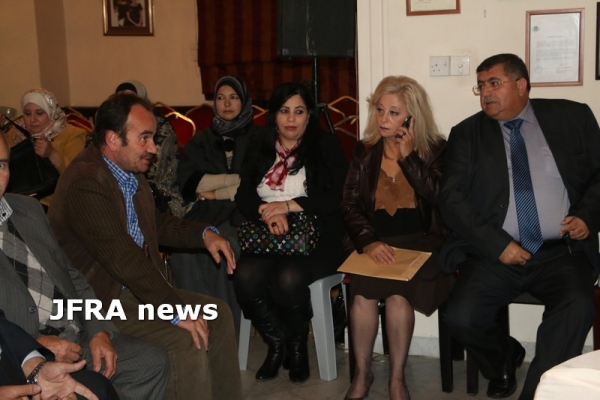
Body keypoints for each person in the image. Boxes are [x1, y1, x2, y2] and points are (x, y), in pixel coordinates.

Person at [47, 92, 242, 400]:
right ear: (113, 139)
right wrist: (174, 310)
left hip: (129, 289)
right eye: (145, 138)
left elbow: (153, 223)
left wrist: (203, 234)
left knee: (217, 314)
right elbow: (121, 254)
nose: (153, 148)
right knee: (186, 337)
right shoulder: (86, 181)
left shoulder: (127, 172)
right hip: (98, 300)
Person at [438, 53, 600, 400]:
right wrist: (497, 245)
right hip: (495, 252)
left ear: (522, 85)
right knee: (460, 318)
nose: (485, 93)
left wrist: (588, 216)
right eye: (481, 86)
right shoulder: (466, 134)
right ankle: (504, 358)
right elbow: (451, 200)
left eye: (494, 83)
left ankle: (539, 392)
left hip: (560, 251)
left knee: (577, 305)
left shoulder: (572, 118)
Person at [0, 132, 169, 399]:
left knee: (151, 362)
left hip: (76, 335)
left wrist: (98, 330)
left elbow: (71, 276)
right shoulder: (85, 180)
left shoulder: (28, 209)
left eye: (1, 164)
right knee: (93, 389)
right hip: (25, 352)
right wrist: (31, 348)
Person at [340, 76, 453, 400]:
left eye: (393, 112)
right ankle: (362, 374)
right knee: (362, 294)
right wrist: (369, 241)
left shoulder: (435, 150)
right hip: (375, 241)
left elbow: (442, 200)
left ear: (411, 117)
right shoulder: (365, 151)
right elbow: (349, 204)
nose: (384, 119)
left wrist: (409, 158)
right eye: (380, 110)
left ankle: (397, 379)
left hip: (422, 242)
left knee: (398, 297)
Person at [233, 82, 348, 382]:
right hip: (268, 233)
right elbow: (243, 195)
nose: (291, 119)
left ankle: (297, 349)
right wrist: (266, 212)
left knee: (287, 278)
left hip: (317, 236)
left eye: (299, 111)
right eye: (284, 111)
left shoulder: (325, 145)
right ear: (274, 114)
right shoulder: (259, 144)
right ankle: (277, 344)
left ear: (310, 115)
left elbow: (335, 198)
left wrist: (287, 206)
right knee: (245, 276)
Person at [172, 76, 261, 335]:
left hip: (245, 213)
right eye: (220, 98)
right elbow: (190, 182)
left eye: (233, 97)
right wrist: (232, 181)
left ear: (244, 101)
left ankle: (226, 331)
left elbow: (258, 182)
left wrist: (214, 192)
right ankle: (194, 327)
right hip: (204, 212)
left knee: (226, 246)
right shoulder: (202, 139)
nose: (227, 103)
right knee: (184, 249)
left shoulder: (260, 137)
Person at [114, 79, 191, 217]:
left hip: (158, 194)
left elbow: (161, 176)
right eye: (122, 99)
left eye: (132, 98)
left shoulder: (160, 127)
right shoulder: (110, 127)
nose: (127, 104)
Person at [6, 88, 87, 206]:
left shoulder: (72, 134)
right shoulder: (14, 134)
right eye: (27, 113)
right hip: (18, 202)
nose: (32, 119)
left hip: (55, 204)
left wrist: (52, 154)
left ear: (51, 112)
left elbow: (78, 177)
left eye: (39, 113)